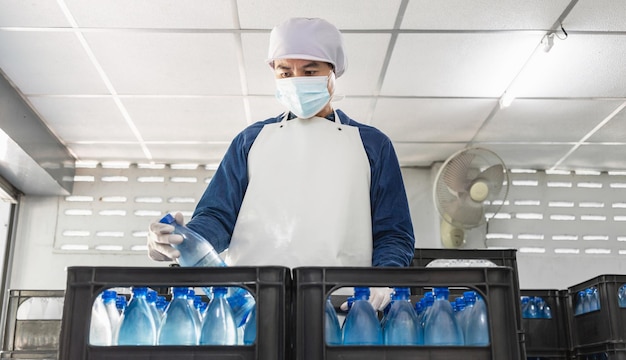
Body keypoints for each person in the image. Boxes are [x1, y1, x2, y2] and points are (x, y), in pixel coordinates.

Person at [147, 17, 415, 310]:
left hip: (344, 305)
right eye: (286, 72)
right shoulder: (251, 140)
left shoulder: (372, 145)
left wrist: (384, 278)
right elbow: (218, 216)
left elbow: (393, 232)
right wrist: (178, 241)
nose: (297, 80)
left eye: (310, 71)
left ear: (332, 73)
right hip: (251, 304)